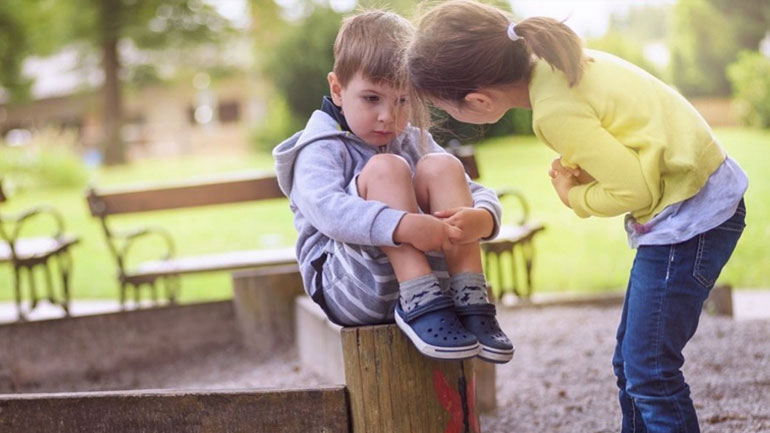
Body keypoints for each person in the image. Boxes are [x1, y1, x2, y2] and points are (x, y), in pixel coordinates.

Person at [406, 0, 748, 431]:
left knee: (650, 370)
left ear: (476, 101)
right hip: (699, 195)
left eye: (444, 107)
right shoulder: (556, 64)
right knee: (631, 363)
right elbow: (632, 139)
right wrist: (595, 170)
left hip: (691, 216)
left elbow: (635, 190)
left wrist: (576, 196)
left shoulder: (553, 112)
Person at [273, 10, 514, 363]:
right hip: (351, 287)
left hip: (437, 290)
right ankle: (420, 299)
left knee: (442, 165)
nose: (389, 116)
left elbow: (470, 188)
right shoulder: (319, 148)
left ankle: (471, 295)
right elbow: (327, 211)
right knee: (387, 169)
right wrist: (400, 225)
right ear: (338, 89)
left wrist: (484, 217)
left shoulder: (411, 138)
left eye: (402, 100)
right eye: (372, 99)